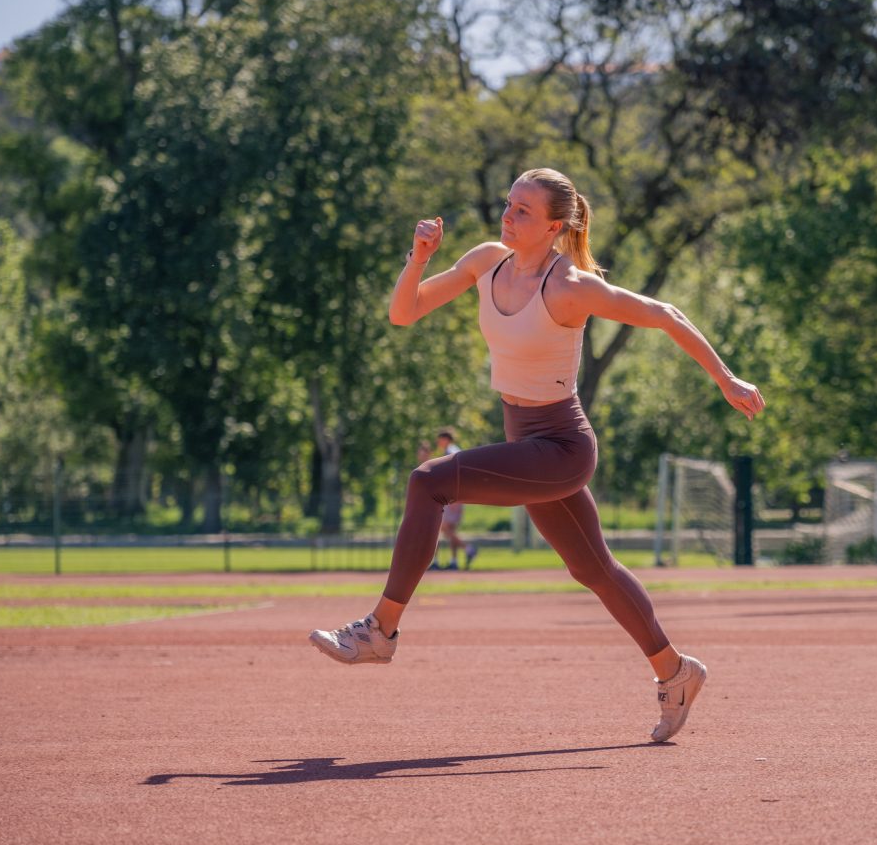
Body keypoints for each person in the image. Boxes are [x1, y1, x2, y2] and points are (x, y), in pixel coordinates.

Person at [309, 167, 765, 743]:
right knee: (593, 569)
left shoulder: (571, 285)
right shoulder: (486, 260)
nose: (509, 214)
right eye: (509, 203)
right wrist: (419, 256)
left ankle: (381, 631)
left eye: (524, 210)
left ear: (555, 225)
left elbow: (665, 314)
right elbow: (404, 312)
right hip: (528, 441)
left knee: (428, 482)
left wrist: (725, 378)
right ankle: (675, 672)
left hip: (561, 446)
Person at [432, 428, 478, 570]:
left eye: (440, 438)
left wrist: (454, 497)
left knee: (444, 528)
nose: (438, 442)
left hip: (453, 497)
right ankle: (454, 561)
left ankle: (468, 548)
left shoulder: (451, 451)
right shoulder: (452, 450)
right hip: (455, 496)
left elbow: (457, 473)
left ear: (446, 439)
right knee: (449, 531)